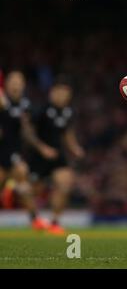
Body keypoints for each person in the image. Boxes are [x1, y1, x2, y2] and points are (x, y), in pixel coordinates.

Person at [27, 79, 85, 235]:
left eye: (65, 93)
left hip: (58, 155)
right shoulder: (41, 110)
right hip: (38, 156)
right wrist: (41, 148)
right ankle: (35, 219)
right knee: (32, 191)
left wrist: (74, 148)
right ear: (52, 93)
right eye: (59, 92)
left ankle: (54, 222)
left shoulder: (68, 111)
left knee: (65, 184)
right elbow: (29, 132)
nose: (62, 96)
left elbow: (67, 132)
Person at [0, 70, 49, 230]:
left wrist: (41, 147)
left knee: (24, 181)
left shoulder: (25, 105)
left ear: (23, 85)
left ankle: (35, 220)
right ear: (6, 84)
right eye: (12, 81)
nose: (15, 84)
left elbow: (27, 131)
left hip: (13, 152)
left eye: (19, 81)